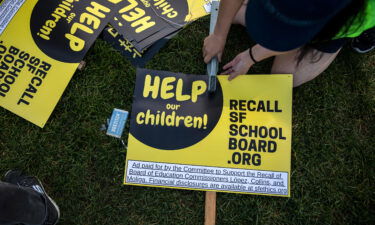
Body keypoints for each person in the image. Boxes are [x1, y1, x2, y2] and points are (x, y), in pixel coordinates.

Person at [203, 0, 375, 87]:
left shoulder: (356, 16)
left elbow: (304, 37)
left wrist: (251, 57)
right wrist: (218, 35)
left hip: (336, 26)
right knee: (232, 13)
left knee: (285, 77)